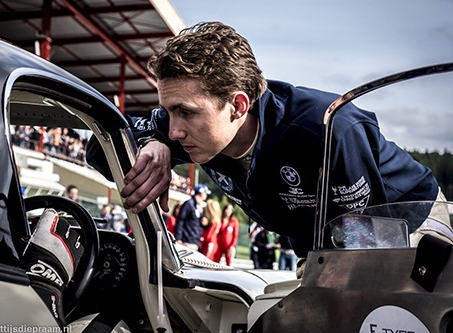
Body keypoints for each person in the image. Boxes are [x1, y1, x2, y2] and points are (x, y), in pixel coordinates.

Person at [87, 21, 453, 262]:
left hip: (407, 220)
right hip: (321, 241)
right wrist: (154, 143)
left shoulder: (326, 129)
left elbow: (368, 237)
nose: (175, 129)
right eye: (168, 113)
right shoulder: (188, 130)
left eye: (186, 113)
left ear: (238, 105)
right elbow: (98, 149)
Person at [173, 184, 211, 251]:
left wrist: (204, 223)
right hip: (186, 241)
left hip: (194, 242)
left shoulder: (199, 206)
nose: (206, 195)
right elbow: (180, 220)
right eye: (205, 193)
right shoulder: (189, 204)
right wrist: (178, 238)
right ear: (201, 193)